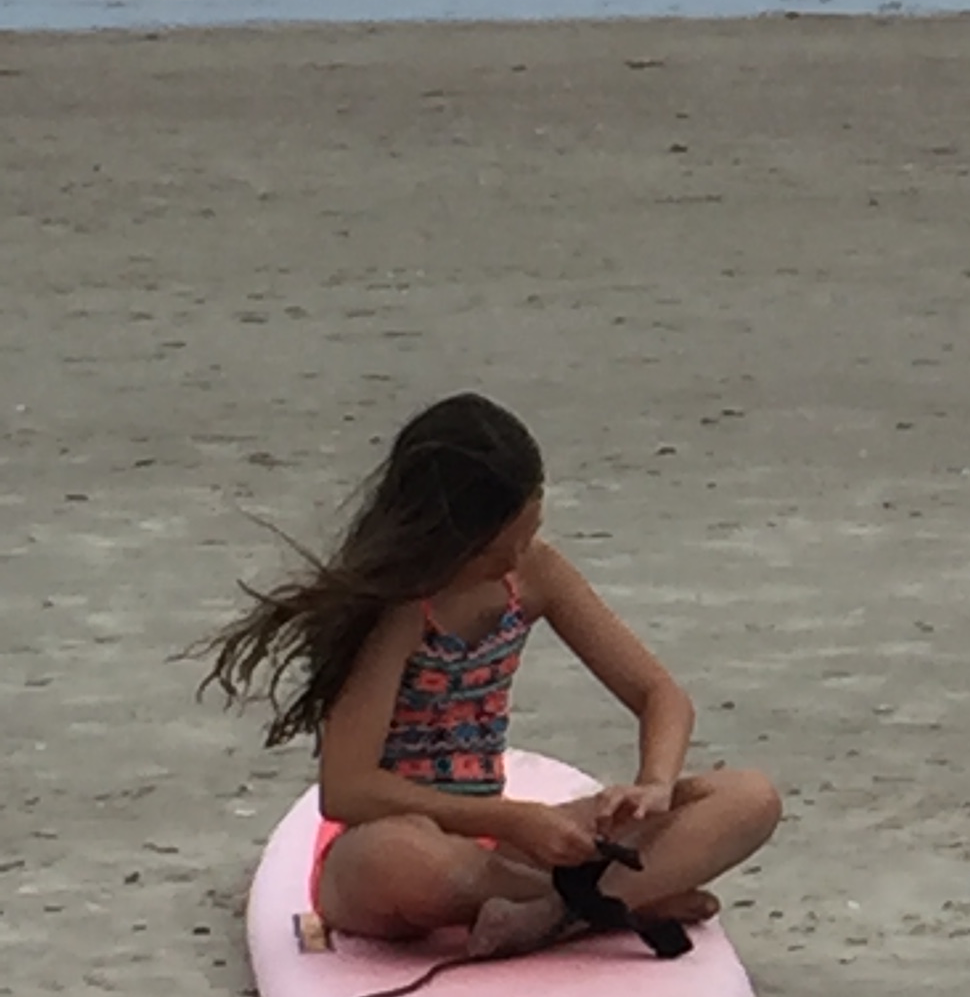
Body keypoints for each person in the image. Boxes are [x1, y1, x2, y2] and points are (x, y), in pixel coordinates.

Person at [202, 393, 781, 955]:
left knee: (749, 797)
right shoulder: (396, 608)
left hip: (500, 851)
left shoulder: (533, 573)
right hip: (391, 851)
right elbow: (347, 790)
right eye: (494, 549)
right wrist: (510, 819)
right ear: (440, 534)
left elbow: (660, 695)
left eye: (526, 535)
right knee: (403, 858)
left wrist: (653, 784)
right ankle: (611, 900)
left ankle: (557, 912)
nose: (514, 558)